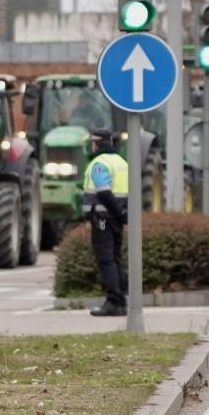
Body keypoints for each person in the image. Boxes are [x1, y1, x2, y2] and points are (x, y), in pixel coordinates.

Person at [84, 131, 130, 318]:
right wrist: (123, 217)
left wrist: (117, 215)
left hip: (102, 218)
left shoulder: (99, 164)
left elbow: (104, 192)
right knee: (116, 259)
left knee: (106, 260)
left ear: (96, 144)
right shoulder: (122, 163)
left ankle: (113, 301)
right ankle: (120, 302)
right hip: (117, 219)